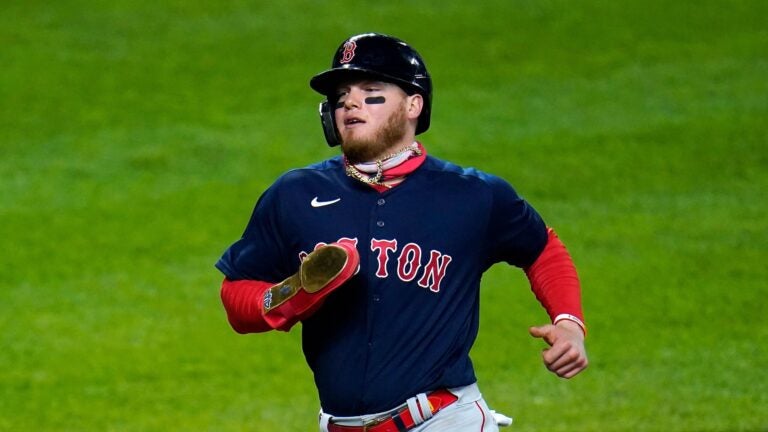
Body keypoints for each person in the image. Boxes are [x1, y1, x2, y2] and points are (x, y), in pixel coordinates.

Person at [215, 32, 588, 432]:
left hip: (444, 420)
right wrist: (294, 294)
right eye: (341, 95)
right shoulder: (296, 194)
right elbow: (237, 295)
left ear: (414, 104)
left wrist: (569, 323)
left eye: (371, 91)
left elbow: (542, 247)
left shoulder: (471, 195)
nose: (351, 103)